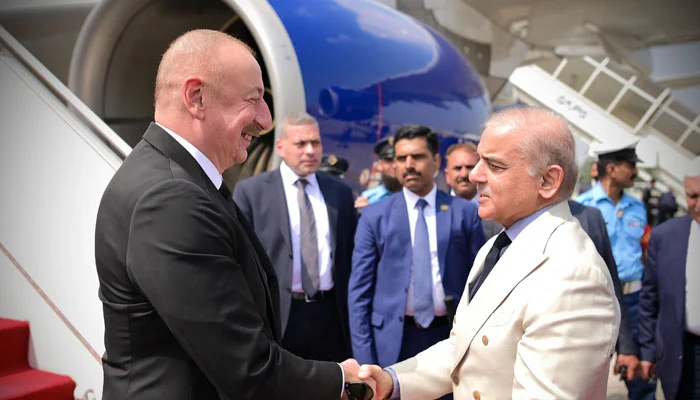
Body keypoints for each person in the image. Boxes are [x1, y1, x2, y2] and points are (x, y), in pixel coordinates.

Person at [94, 30, 361, 400]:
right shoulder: (170, 198)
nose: (265, 119)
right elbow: (247, 368)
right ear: (196, 97)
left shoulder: (180, 179)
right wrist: (342, 381)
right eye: (253, 99)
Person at [359, 107, 620, 399]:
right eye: (479, 160)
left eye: (494, 165)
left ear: (547, 181)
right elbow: (467, 347)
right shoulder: (498, 245)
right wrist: (392, 380)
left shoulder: (573, 277)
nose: (474, 175)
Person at [348, 125, 486, 378]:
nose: (409, 165)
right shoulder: (374, 217)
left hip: (449, 337)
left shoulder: (464, 213)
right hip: (393, 341)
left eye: (418, 157)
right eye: (402, 158)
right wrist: (365, 359)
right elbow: (359, 292)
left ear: (436, 161)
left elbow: (480, 282)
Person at [234, 112, 357, 363]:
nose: (310, 151)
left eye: (316, 143)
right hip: (279, 314)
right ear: (280, 147)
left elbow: (350, 253)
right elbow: (239, 258)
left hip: (330, 315)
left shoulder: (340, 193)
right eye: (301, 144)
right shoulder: (252, 192)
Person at [576, 138, 655, 399]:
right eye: (630, 165)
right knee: (586, 374)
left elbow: (644, 250)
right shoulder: (583, 209)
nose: (635, 171)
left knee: (641, 376)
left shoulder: (638, 207)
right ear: (611, 169)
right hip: (597, 301)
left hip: (634, 300)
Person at [639, 160, 700, 399]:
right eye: (693, 196)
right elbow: (649, 298)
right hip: (683, 356)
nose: (698, 205)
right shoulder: (665, 237)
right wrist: (648, 351)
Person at [568, 200, 641, 381]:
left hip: (585, 344)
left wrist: (625, 345)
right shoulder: (506, 219)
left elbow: (610, 284)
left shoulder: (590, 216)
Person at [444, 142, 503, 239]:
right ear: (447, 175)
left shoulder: (498, 215)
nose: (464, 174)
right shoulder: (434, 212)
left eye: (469, 167)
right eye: (458, 168)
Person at [355, 137, 402, 208]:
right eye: (389, 160)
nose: (394, 166)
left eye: (399, 160)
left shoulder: (417, 194)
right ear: (380, 164)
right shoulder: (368, 197)